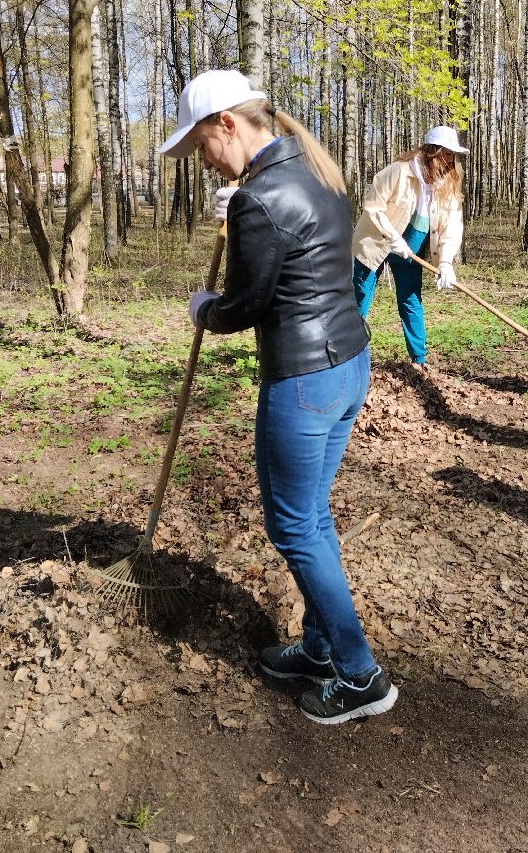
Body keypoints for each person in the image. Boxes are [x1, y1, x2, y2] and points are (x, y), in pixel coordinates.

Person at [159, 69, 397, 725]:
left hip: (303, 381)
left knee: (294, 526)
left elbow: (244, 306)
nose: (203, 161)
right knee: (312, 518)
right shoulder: (316, 171)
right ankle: (320, 650)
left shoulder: (259, 196)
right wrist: (240, 214)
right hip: (348, 364)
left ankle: (358, 676)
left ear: (227, 124)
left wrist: (204, 308)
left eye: (201, 144)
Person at [352, 126, 468, 371]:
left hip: (410, 253)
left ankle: (419, 361)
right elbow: (374, 206)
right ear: (432, 152)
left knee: (411, 300)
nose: (450, 161)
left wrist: (445, 262)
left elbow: (451, 227)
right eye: (446, 154)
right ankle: (347, 356)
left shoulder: (447, 186)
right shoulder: (398, 172)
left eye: (452, 156)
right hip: (375, 243)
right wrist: (393, 237)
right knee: (359, 298)